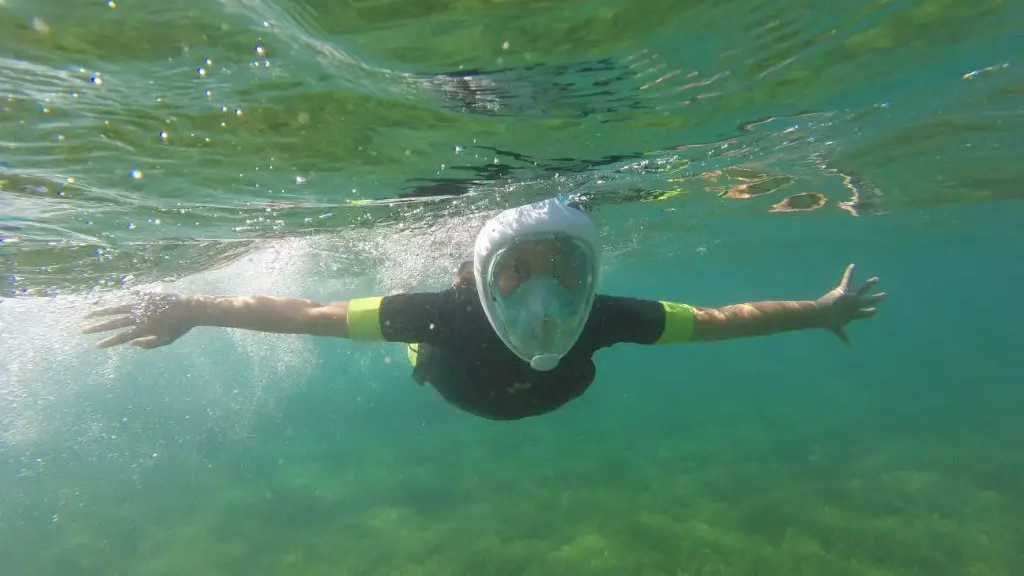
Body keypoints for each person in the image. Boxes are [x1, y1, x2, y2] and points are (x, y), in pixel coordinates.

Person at [82, 197, 886, 421]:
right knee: (419, 357)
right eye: (514, 273)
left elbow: (721, 320)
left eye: (563, 271)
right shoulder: (443, 312)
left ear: (590, 272)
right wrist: (193, 304)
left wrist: (822, 310)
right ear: (479, 274)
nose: (542, 298)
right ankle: (417, 365)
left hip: (540, 394)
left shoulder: (603, 313)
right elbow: (308, 312)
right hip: (454, 379)